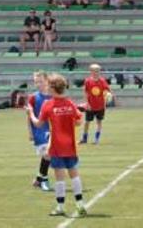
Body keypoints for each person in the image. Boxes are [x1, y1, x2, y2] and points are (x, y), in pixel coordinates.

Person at [27, 74, 87, 217]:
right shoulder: (70, 103)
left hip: (56, 146)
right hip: (70, 146)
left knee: (60, 178)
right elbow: (78, 121)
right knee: (74, 174)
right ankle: (80, 205)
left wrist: (30, 113)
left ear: (53, 88)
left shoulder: (48, 105)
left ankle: (60, 207)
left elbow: (38, 123)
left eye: (48, 85)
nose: (47, 87)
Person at [27, 72, 52, 192]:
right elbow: (29, 115)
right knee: (48, 154)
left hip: (51, 129)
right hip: (38, 129)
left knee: (48, 155)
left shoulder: (52, 95)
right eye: (36, 82)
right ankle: (44, 181)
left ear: (47, 81)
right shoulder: (33, 97)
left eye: (40, 81)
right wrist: (30, 132)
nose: (38, 84)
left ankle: (38, 178)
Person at [80, 64, 110, 145]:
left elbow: (106, 90)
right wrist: (87, 103)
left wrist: (107, 95)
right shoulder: (88, 81)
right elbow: (86, 93)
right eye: (94, 71)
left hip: (100, 106)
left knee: (99, 122)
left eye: (98, 71)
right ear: (91, 72)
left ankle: (96, 139)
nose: (96, 73)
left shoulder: (102, 81)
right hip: (90, 106)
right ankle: (84, 138)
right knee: (87, 122)